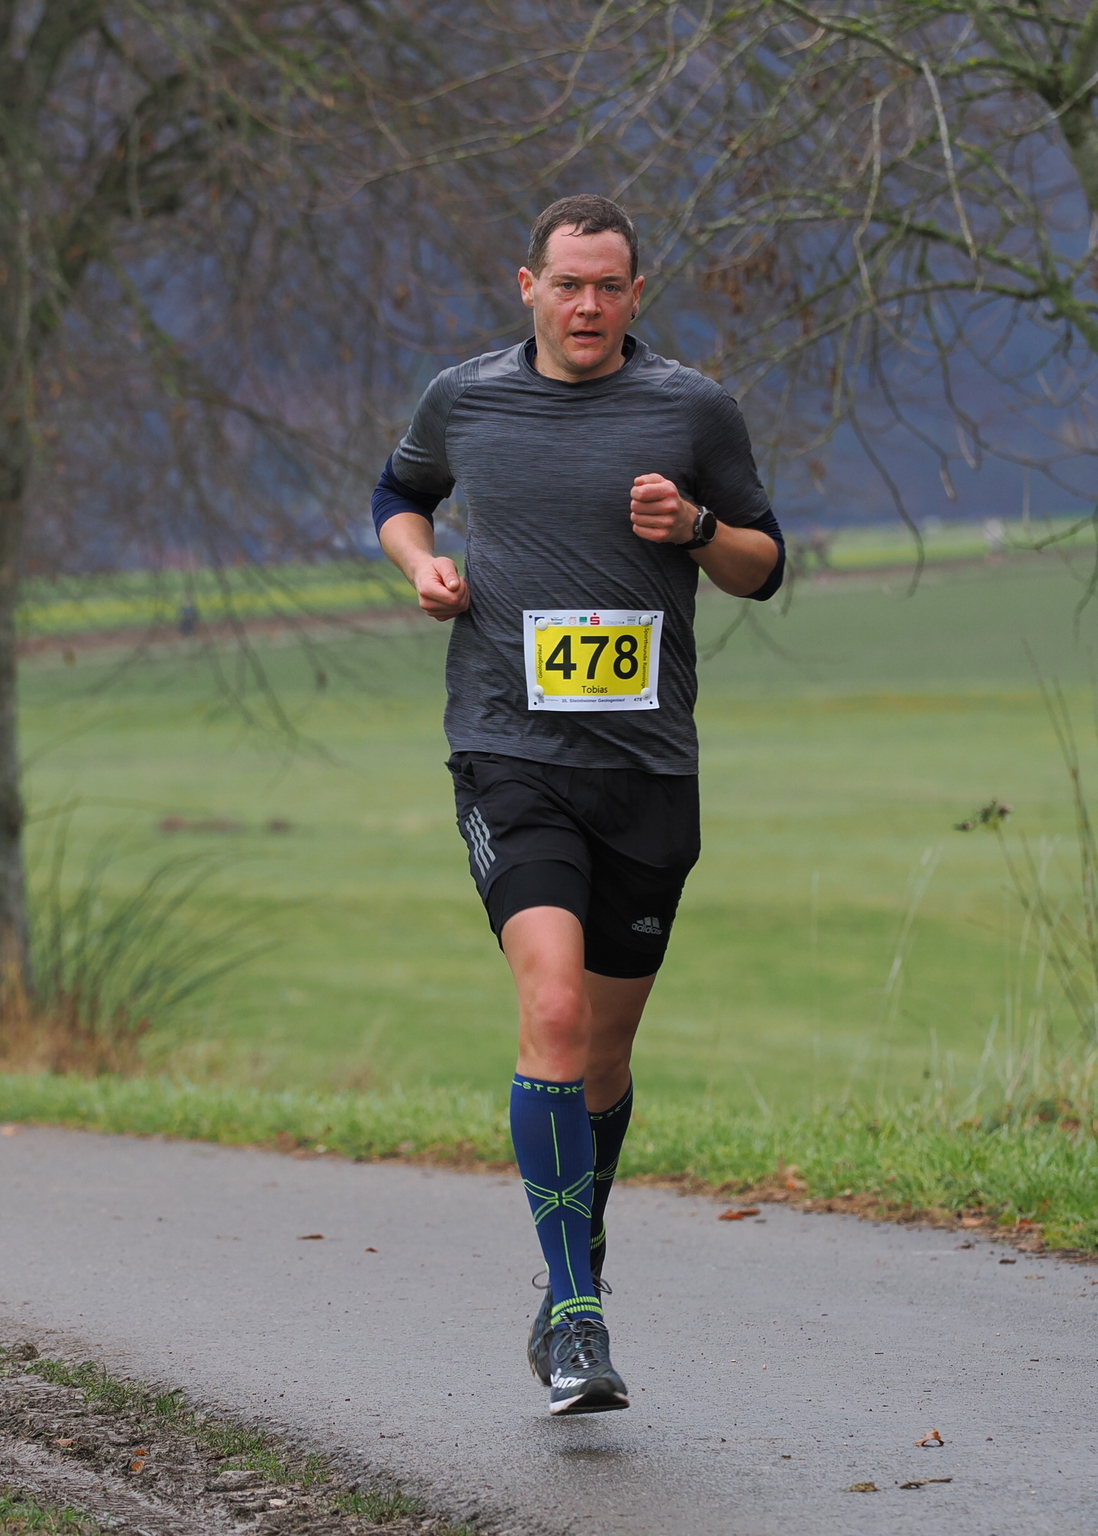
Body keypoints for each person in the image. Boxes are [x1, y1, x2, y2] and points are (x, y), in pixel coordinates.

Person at [372, 194, 784, 1415]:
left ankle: (572, 1270)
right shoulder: (465, 399)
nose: (587, 305)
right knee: (550, 1011)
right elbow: (397, 493)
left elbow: (763, 564)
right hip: (509, 753)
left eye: (608, 286)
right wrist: (423, 566)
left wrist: (695, 527)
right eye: (567, 284)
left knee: (601, 1056)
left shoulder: (692, 409)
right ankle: (577, 1323)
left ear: (635, 293)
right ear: (528, 287)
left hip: (645, 771)